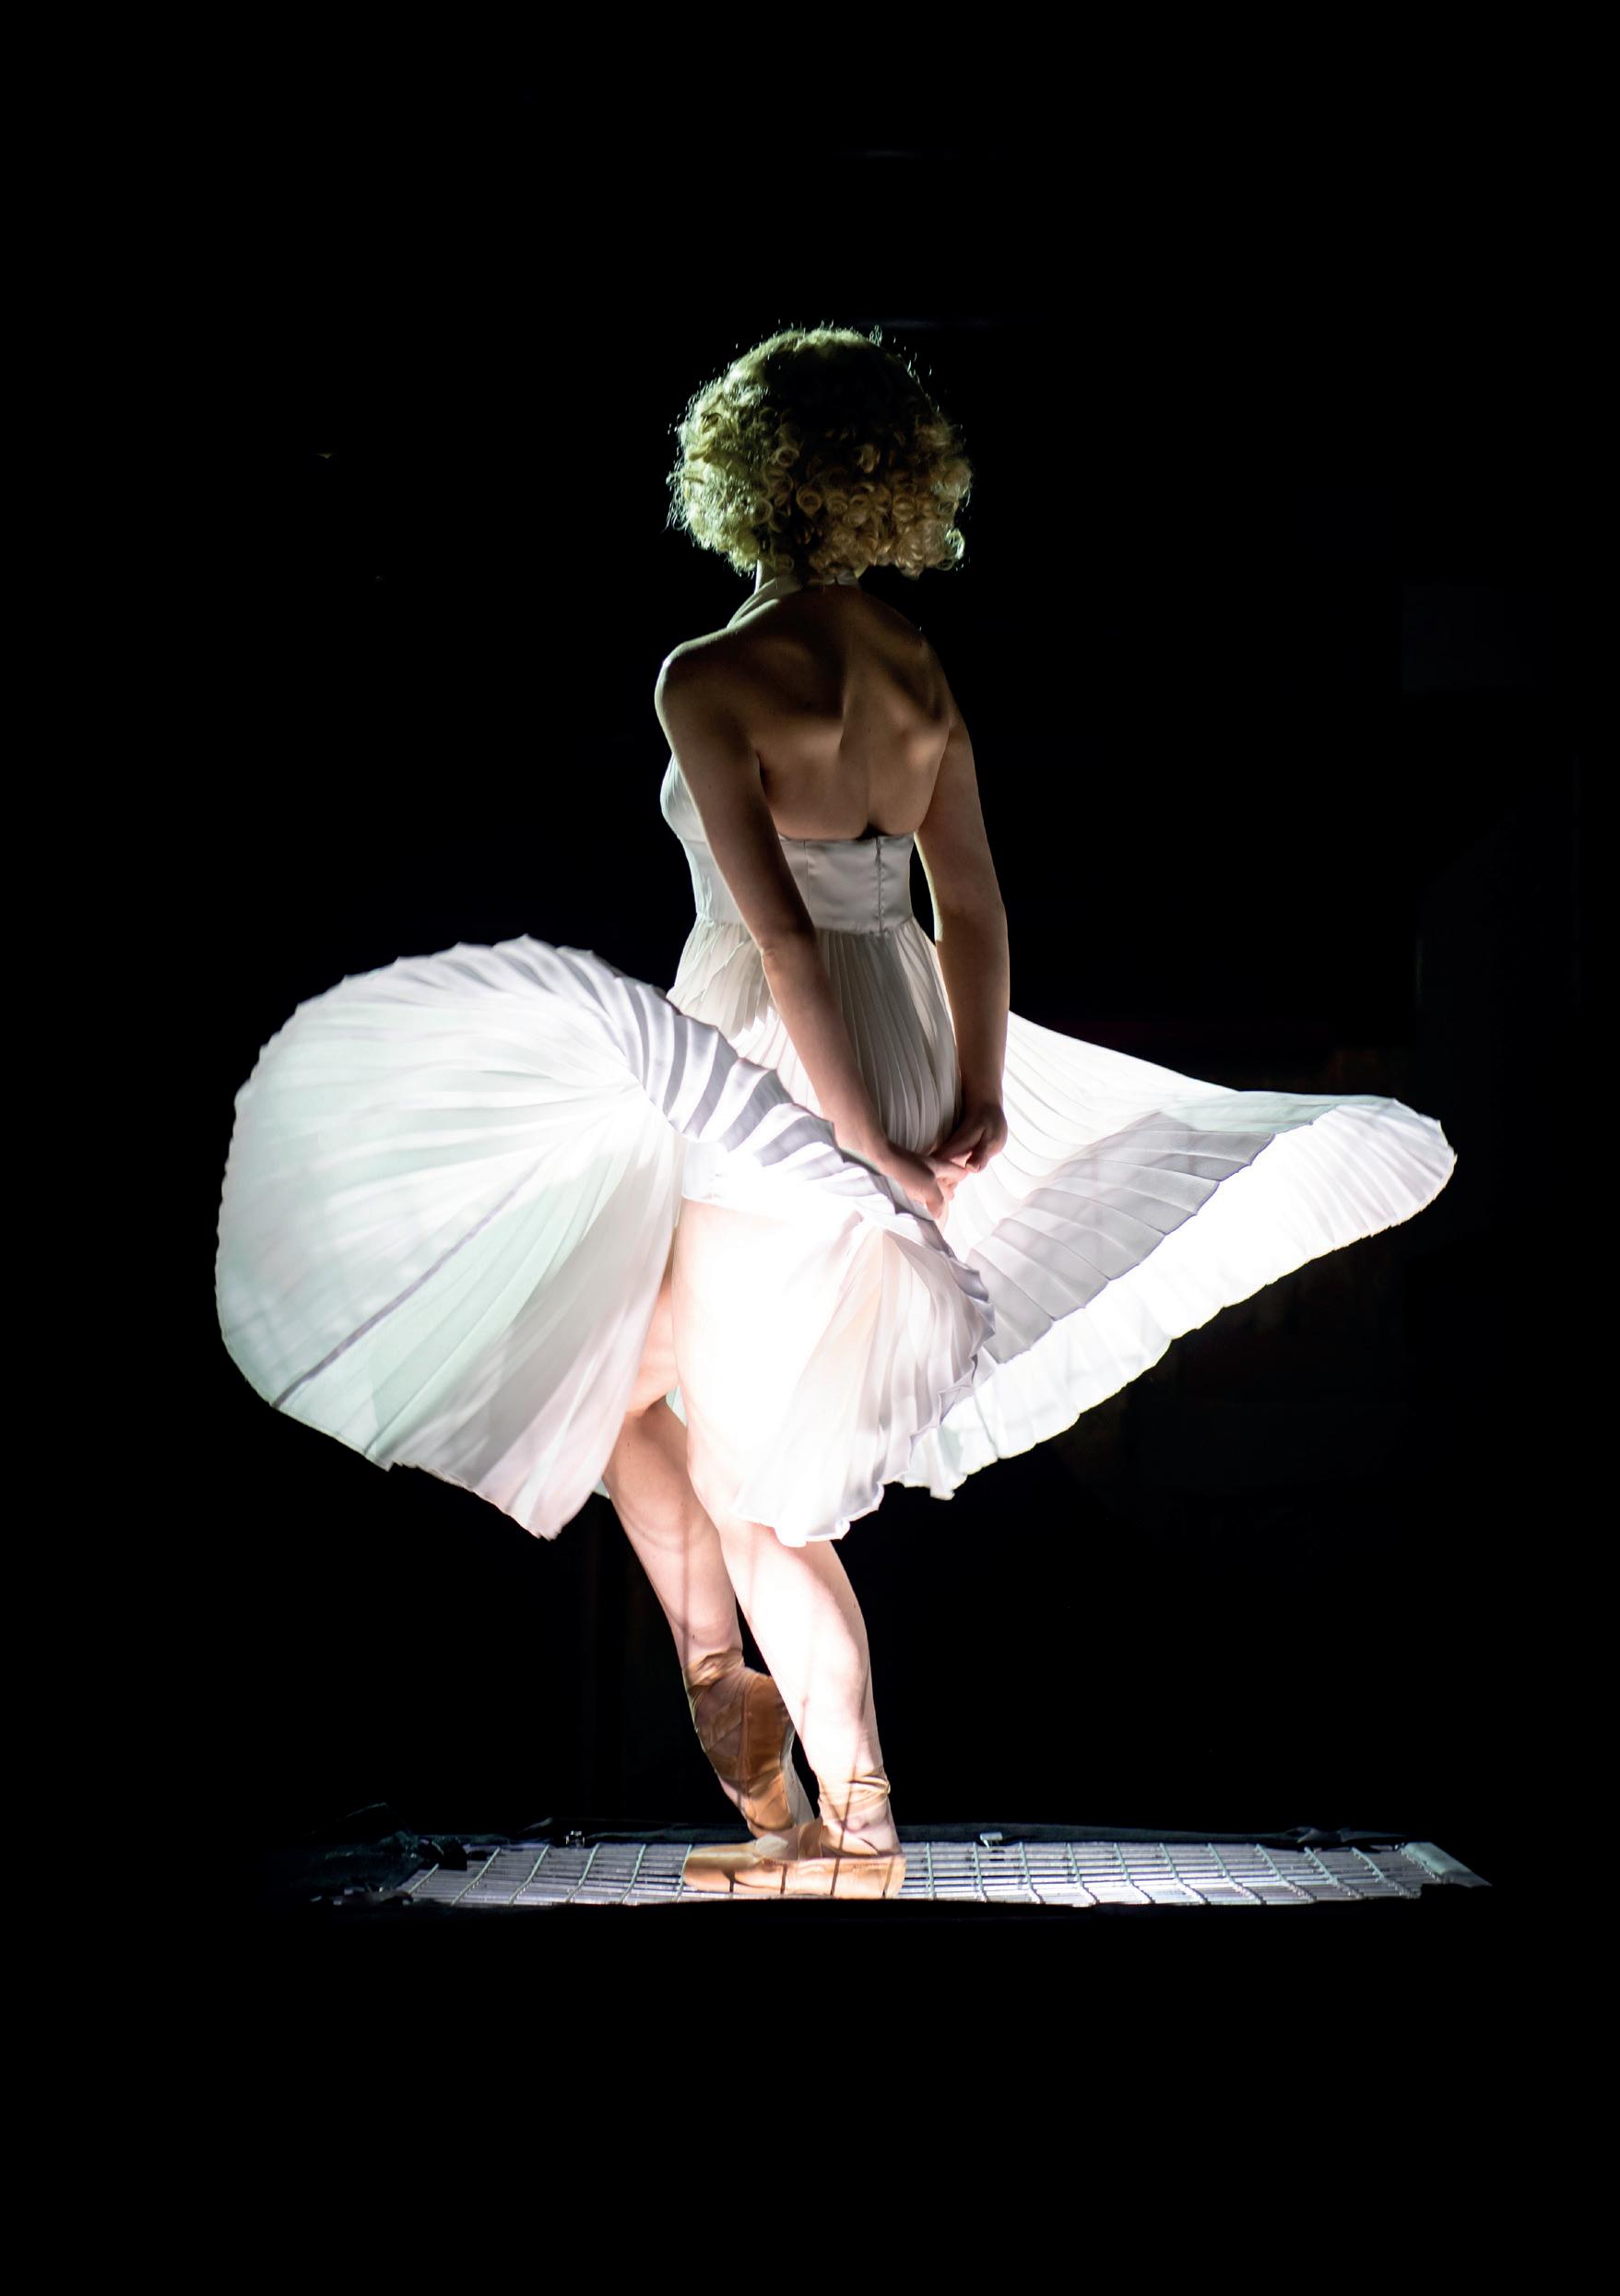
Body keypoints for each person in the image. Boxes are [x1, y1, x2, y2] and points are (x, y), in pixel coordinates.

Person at [215, 325, 1457, 1901]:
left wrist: (858, 1143)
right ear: (890, 484)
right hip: (899, 1035)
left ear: (740, 480)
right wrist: (969, 1088)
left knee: (732, 1469)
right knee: (624, 1392)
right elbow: (973, 907)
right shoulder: (912, 664)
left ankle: (833, 1814)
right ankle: (756, 1744)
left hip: (773, 1062)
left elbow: (785, 937)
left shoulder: (705, 676)